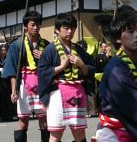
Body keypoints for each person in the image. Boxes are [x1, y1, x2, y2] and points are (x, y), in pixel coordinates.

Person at [96, 5, 137, 142]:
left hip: (132, 127)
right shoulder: (116, 70)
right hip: (116, 133)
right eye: (130, 32)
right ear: (118, 38)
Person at [38, 13, 95, 142]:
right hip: (57, 93)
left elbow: (91, 69)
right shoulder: (50, 49)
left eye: (72, 28)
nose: (70, 31)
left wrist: (82, 65)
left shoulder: (79, 50)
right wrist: (62, 67)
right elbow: (42, 72)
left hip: (77, 92)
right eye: (66, 28)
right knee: (56, 133)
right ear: (57, 29)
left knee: (79, 132)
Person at [3, 10, 50, 142]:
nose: (36, 28)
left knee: (44, 119)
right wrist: (14, 90)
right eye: (32, 25)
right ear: (25, 26)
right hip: (24, 84)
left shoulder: (47, 45)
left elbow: (53, 67)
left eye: (38, 25)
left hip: (42, 84)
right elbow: (13, 71)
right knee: (23, 119)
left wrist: (44, 57)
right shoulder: (16, 45)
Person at [0, 44, 14, 121]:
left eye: (4, 50)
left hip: (7, 81)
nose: (3, 52)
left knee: (8, 99)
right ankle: (2, 115)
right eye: (1, 50)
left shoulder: (8, 59)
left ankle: (10, 114)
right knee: (0, 99)